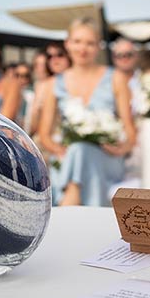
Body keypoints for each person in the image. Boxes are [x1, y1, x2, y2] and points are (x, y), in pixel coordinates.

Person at [38, 18, 135, 206]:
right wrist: (60, 150)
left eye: (90, 43)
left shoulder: (116, 78)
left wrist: (120, 148)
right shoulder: (53, 84)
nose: (83, 48)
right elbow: (44, 135)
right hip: (68, 158)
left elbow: (130, 132)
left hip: (107, 158)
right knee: (78, 151)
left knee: (80, 152)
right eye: (77, 41)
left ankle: (67, 213)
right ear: (68, 44)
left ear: (98, 46)